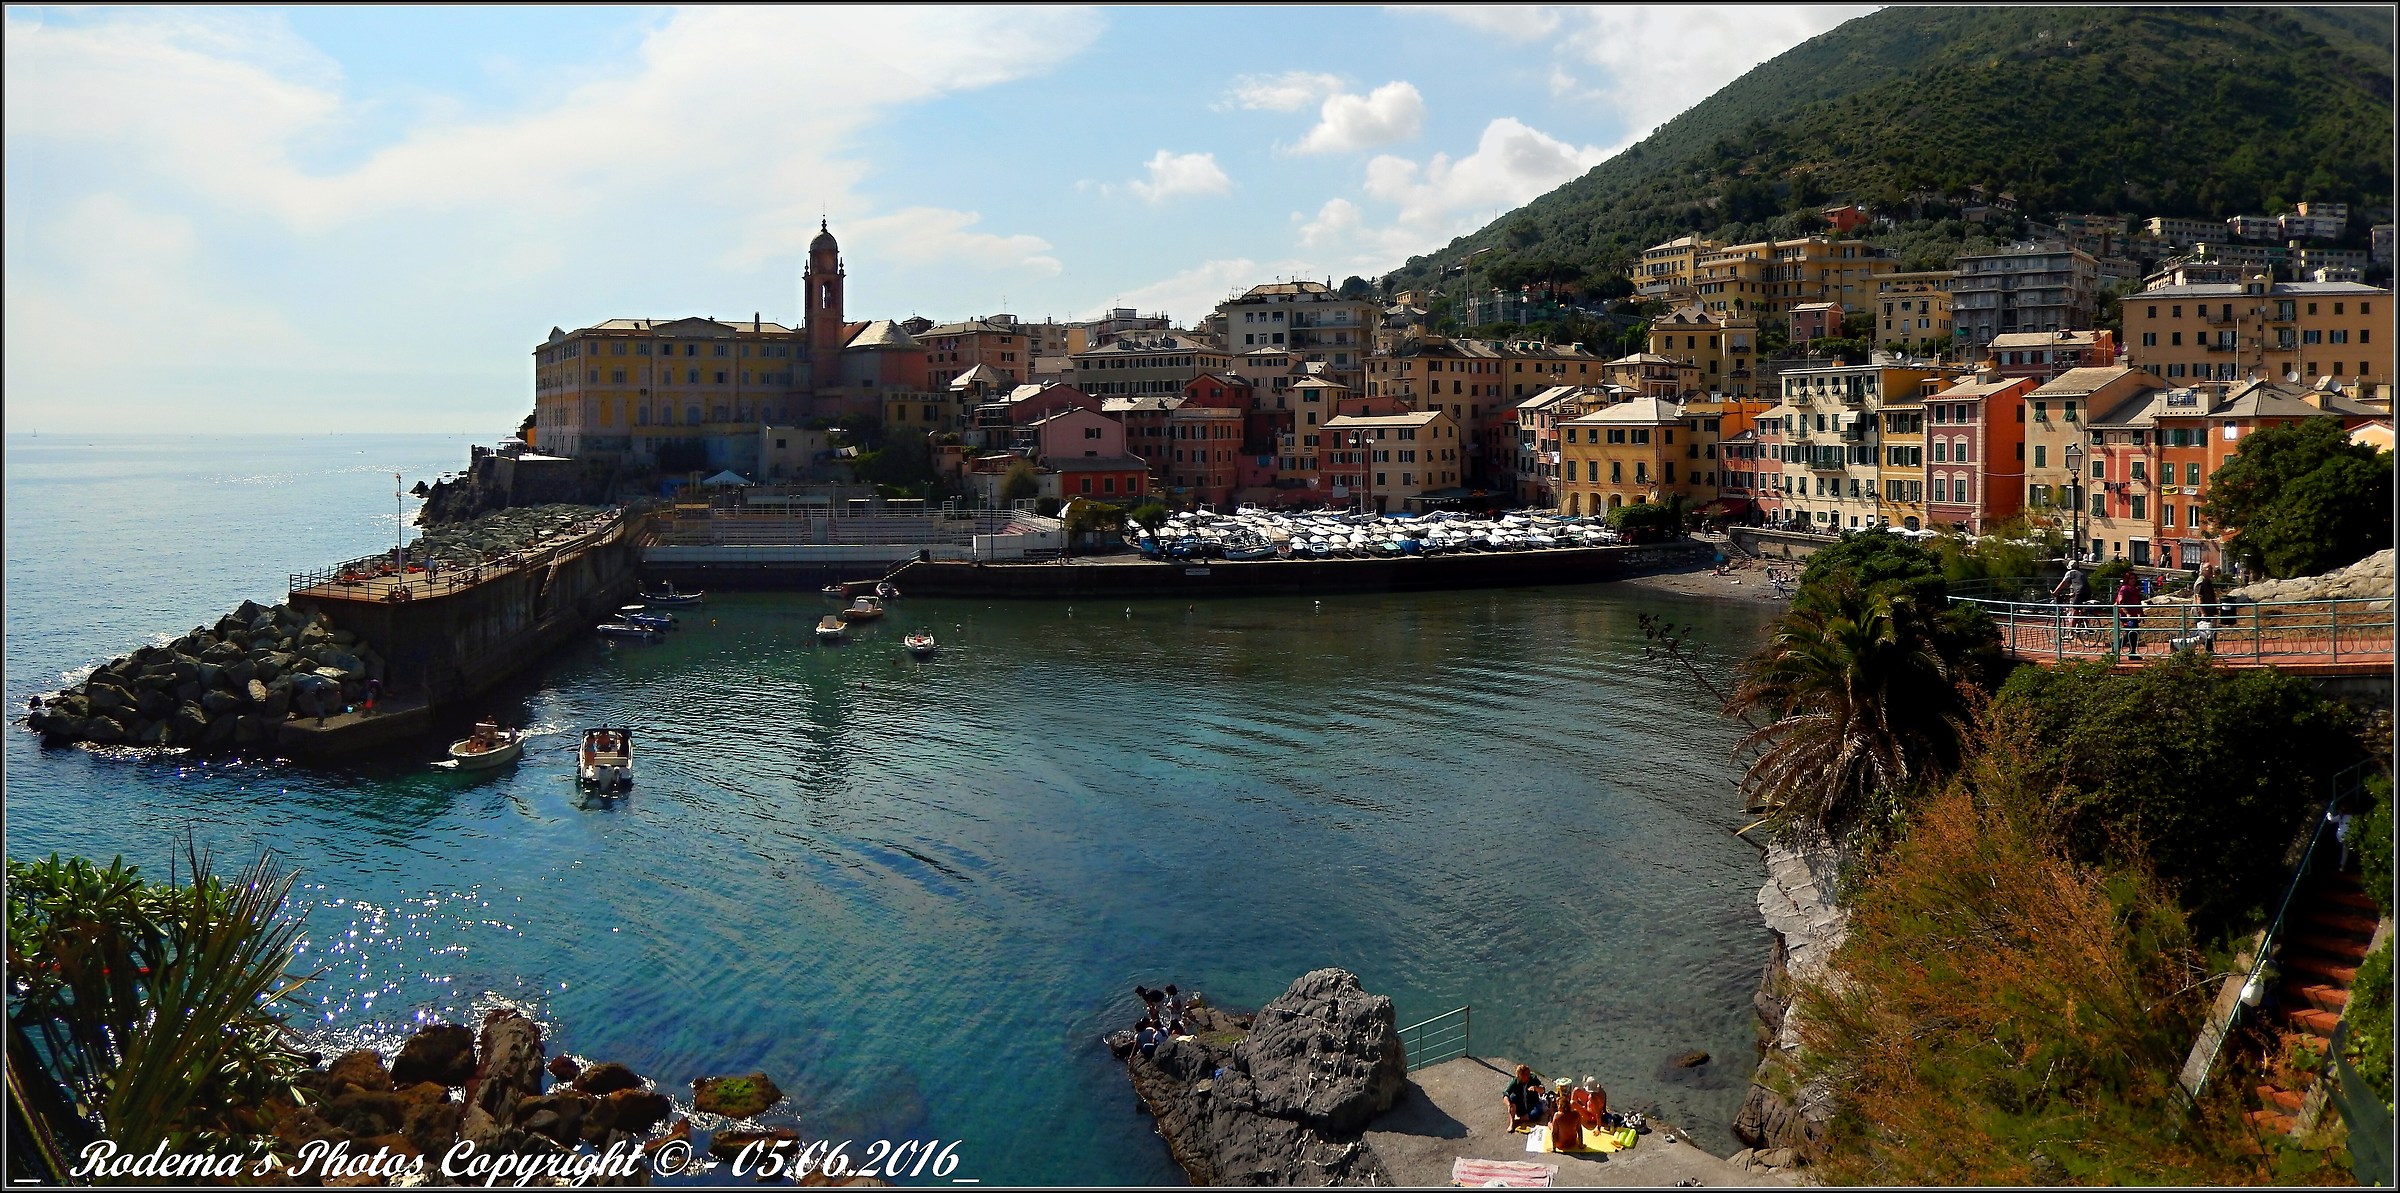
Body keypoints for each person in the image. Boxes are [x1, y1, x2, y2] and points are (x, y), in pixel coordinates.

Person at [1546, 1078, 1585, 1151]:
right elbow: (1579, 1130)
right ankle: (1580, 1144)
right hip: (1573, 1142)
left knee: (1550, 1125)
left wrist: (1554, 1148)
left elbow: (1554, 1133)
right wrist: (1581, 1144)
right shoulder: (1576, 1114)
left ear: (1560, 1107)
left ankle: (1549, 1124)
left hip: (1560, 1144)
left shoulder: (1557, 1116)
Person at [1504, 1065, 1545, 1131]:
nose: (1528, 1075)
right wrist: (1509, 1104)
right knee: (1512, 1098)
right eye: (1526, 1074)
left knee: (1537, 1112)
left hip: (1532, 1104)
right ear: (1520, 1076)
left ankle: (1519, 1120)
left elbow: (1542, 1089)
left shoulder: (1533, 1079)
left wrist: (1535, 1088)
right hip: (1520, 1105)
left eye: (1528, 1073)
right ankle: (1512, 1122)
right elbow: (1506, 1094)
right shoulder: (1515, 1082)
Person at [2114, 574, 2143, 657]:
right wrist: (2127, 613)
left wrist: (2141, 614)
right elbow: (2121, 602)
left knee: (2134, 633)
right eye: (2131, 579)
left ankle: (2132, 653)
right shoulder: (2124, 589)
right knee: (2130, 633)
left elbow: (2138, 602)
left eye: (2134, 578)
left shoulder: (2135, 589)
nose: (2133, 580)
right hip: (2126, 615)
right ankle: (2115, 648)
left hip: (2133, 614)